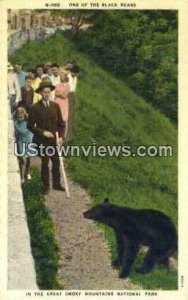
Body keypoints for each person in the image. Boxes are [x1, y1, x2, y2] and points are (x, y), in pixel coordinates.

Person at [27, 81, 65, 195]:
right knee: (45, 162)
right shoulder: (35, 107)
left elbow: (61, 124)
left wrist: (61, 137)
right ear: (40, 93)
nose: (47, 94)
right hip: (41, 140)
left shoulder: (55, 106)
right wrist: (43, 132)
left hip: (54, 140)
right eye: (44, 92)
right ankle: (45, 186)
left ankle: (57, 184)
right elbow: (29, 126)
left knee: (56, 161)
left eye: (48, 92)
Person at [14, 107, 33, 183]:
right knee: (22, 159)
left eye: (22, 116)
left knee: (29, 159)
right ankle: (21, 177)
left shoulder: (29, 122)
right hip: (21, 142)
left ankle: (27, 173)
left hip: (29, 141)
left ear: (24, 115)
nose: (20, 118)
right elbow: (16, 134)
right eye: (19, 116)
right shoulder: (15, 124)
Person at [65, 63, 80, 140]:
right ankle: (65, 134)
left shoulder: (75, 78)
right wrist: (67, 67)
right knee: (65, 115)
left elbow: (73, 89)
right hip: (66, 95)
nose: (77, 75)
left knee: (70, 115)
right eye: (76, 73)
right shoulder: (67, 75)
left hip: (71, 95)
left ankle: (68, 133)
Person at [54, 69, 70, 138]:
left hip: (63, 104)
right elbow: (55, 93)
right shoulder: (57, 84)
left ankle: (62, 135)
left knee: (63, 118)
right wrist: (60, 94)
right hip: (57, 102)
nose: (61, 77)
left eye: (62, 76)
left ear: (65, 77)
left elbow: (64, 96)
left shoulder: (67, 85)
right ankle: (55, 134)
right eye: (60, 76)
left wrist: (59, 94)